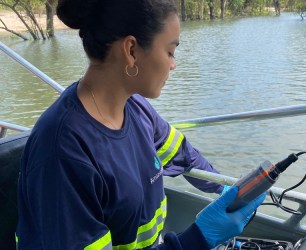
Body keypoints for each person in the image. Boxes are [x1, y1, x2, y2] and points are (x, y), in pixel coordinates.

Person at [16, 0, 266, 249]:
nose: (173, 64)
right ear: (132, 50)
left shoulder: (134, 107)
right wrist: (198, 239)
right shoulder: (64, 149)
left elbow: (180, 153)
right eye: (170, 51)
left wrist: (228, 189)